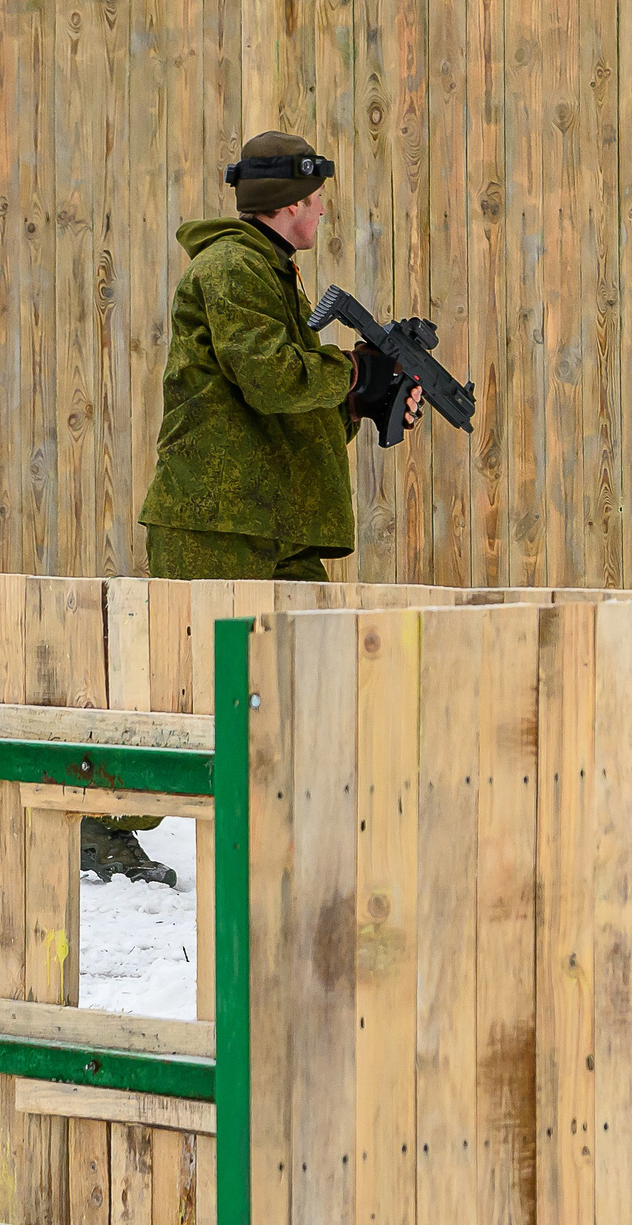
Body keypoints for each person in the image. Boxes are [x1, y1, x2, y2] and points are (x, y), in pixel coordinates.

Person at [111, 131, 420, 883]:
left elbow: (281, 406)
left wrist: (366, 400)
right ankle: (105, 822)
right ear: (285, 206)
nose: (321, 215)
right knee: (184, 686)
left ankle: (309, 831)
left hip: (269, 518)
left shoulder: (269, 272)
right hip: (215, 521)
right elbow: (274, 378)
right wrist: (351, 373)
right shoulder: (231, 270)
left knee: (314, 670)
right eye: (314, 202)